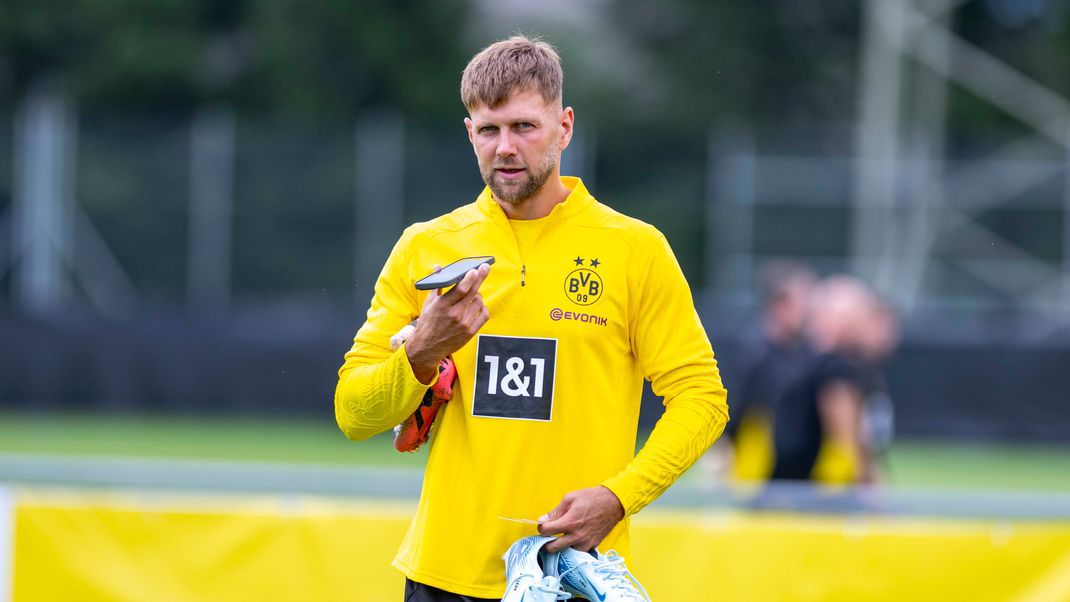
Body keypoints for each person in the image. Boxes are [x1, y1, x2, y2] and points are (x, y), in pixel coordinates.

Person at [334, 35, 728, 600]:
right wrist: (423, 349)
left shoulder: (635, 250)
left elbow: (702, 400)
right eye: (489, 130)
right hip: (443, 577)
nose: (506, 148)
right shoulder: (426, 247)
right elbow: (353, 413)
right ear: (470, 133)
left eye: (524, 127)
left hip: (574, 573)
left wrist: (618, 498)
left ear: (565, 127)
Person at [769, 275, 883, 484]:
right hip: (815, 496)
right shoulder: (835, 369)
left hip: (782, 488)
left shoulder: (800, 357)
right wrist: (870, 489)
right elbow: (847, 443)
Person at [715, 260, 815, 482]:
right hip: (758, 477)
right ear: (780, 305)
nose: (809, 310)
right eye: (803, 301)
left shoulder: (804, 350)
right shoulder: (754, 354)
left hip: (795, 475)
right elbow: (732, 413)